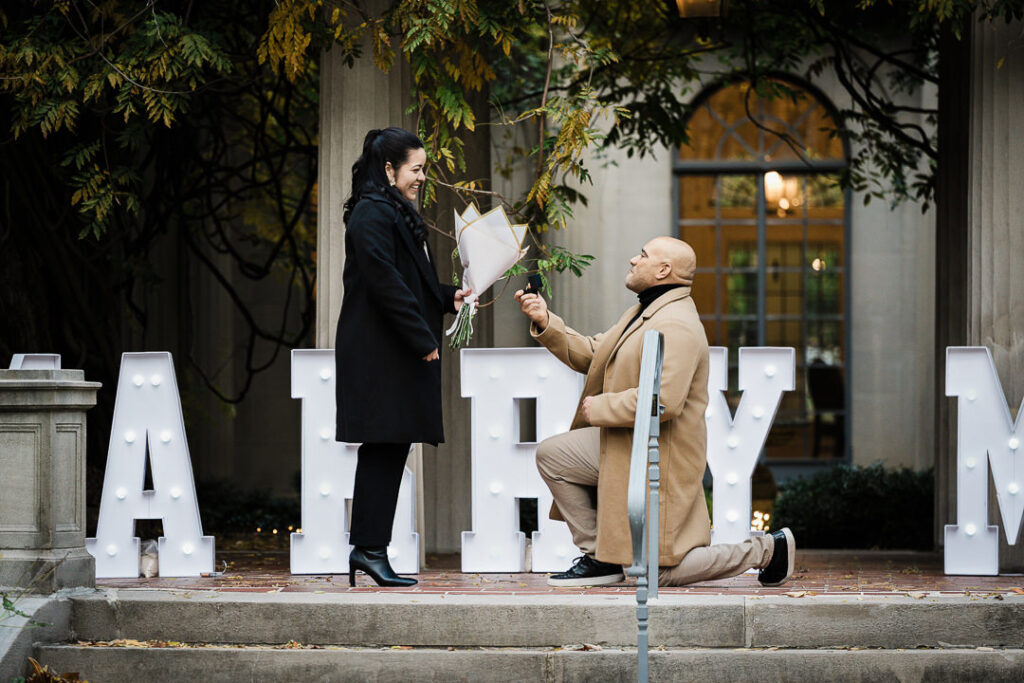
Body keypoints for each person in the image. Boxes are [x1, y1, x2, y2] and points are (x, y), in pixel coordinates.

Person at [514, 236, 794, 588]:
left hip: (660, 456)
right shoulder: (645, 311)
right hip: (627, 445)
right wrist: (546, 321)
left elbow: (665, 400)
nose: (633, 259)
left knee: (658, 572)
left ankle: (767, 549)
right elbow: (593, 353)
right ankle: (601, 557)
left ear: (664, 270)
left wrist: (602, 406)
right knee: (554, 455)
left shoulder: (677, 324)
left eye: (643, 255)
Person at [335, 127, 470, 587]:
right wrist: (421, 337)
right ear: (389, 169)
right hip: (381, 353)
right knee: (384, 446)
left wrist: (448, 296)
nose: (422, 178)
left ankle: (369, 549)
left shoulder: (389, 210)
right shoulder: (373, 213)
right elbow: (384, 282)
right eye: (417, 169)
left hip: (388, 349)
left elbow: (408, 280)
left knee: (388, 447)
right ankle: (369, 549)